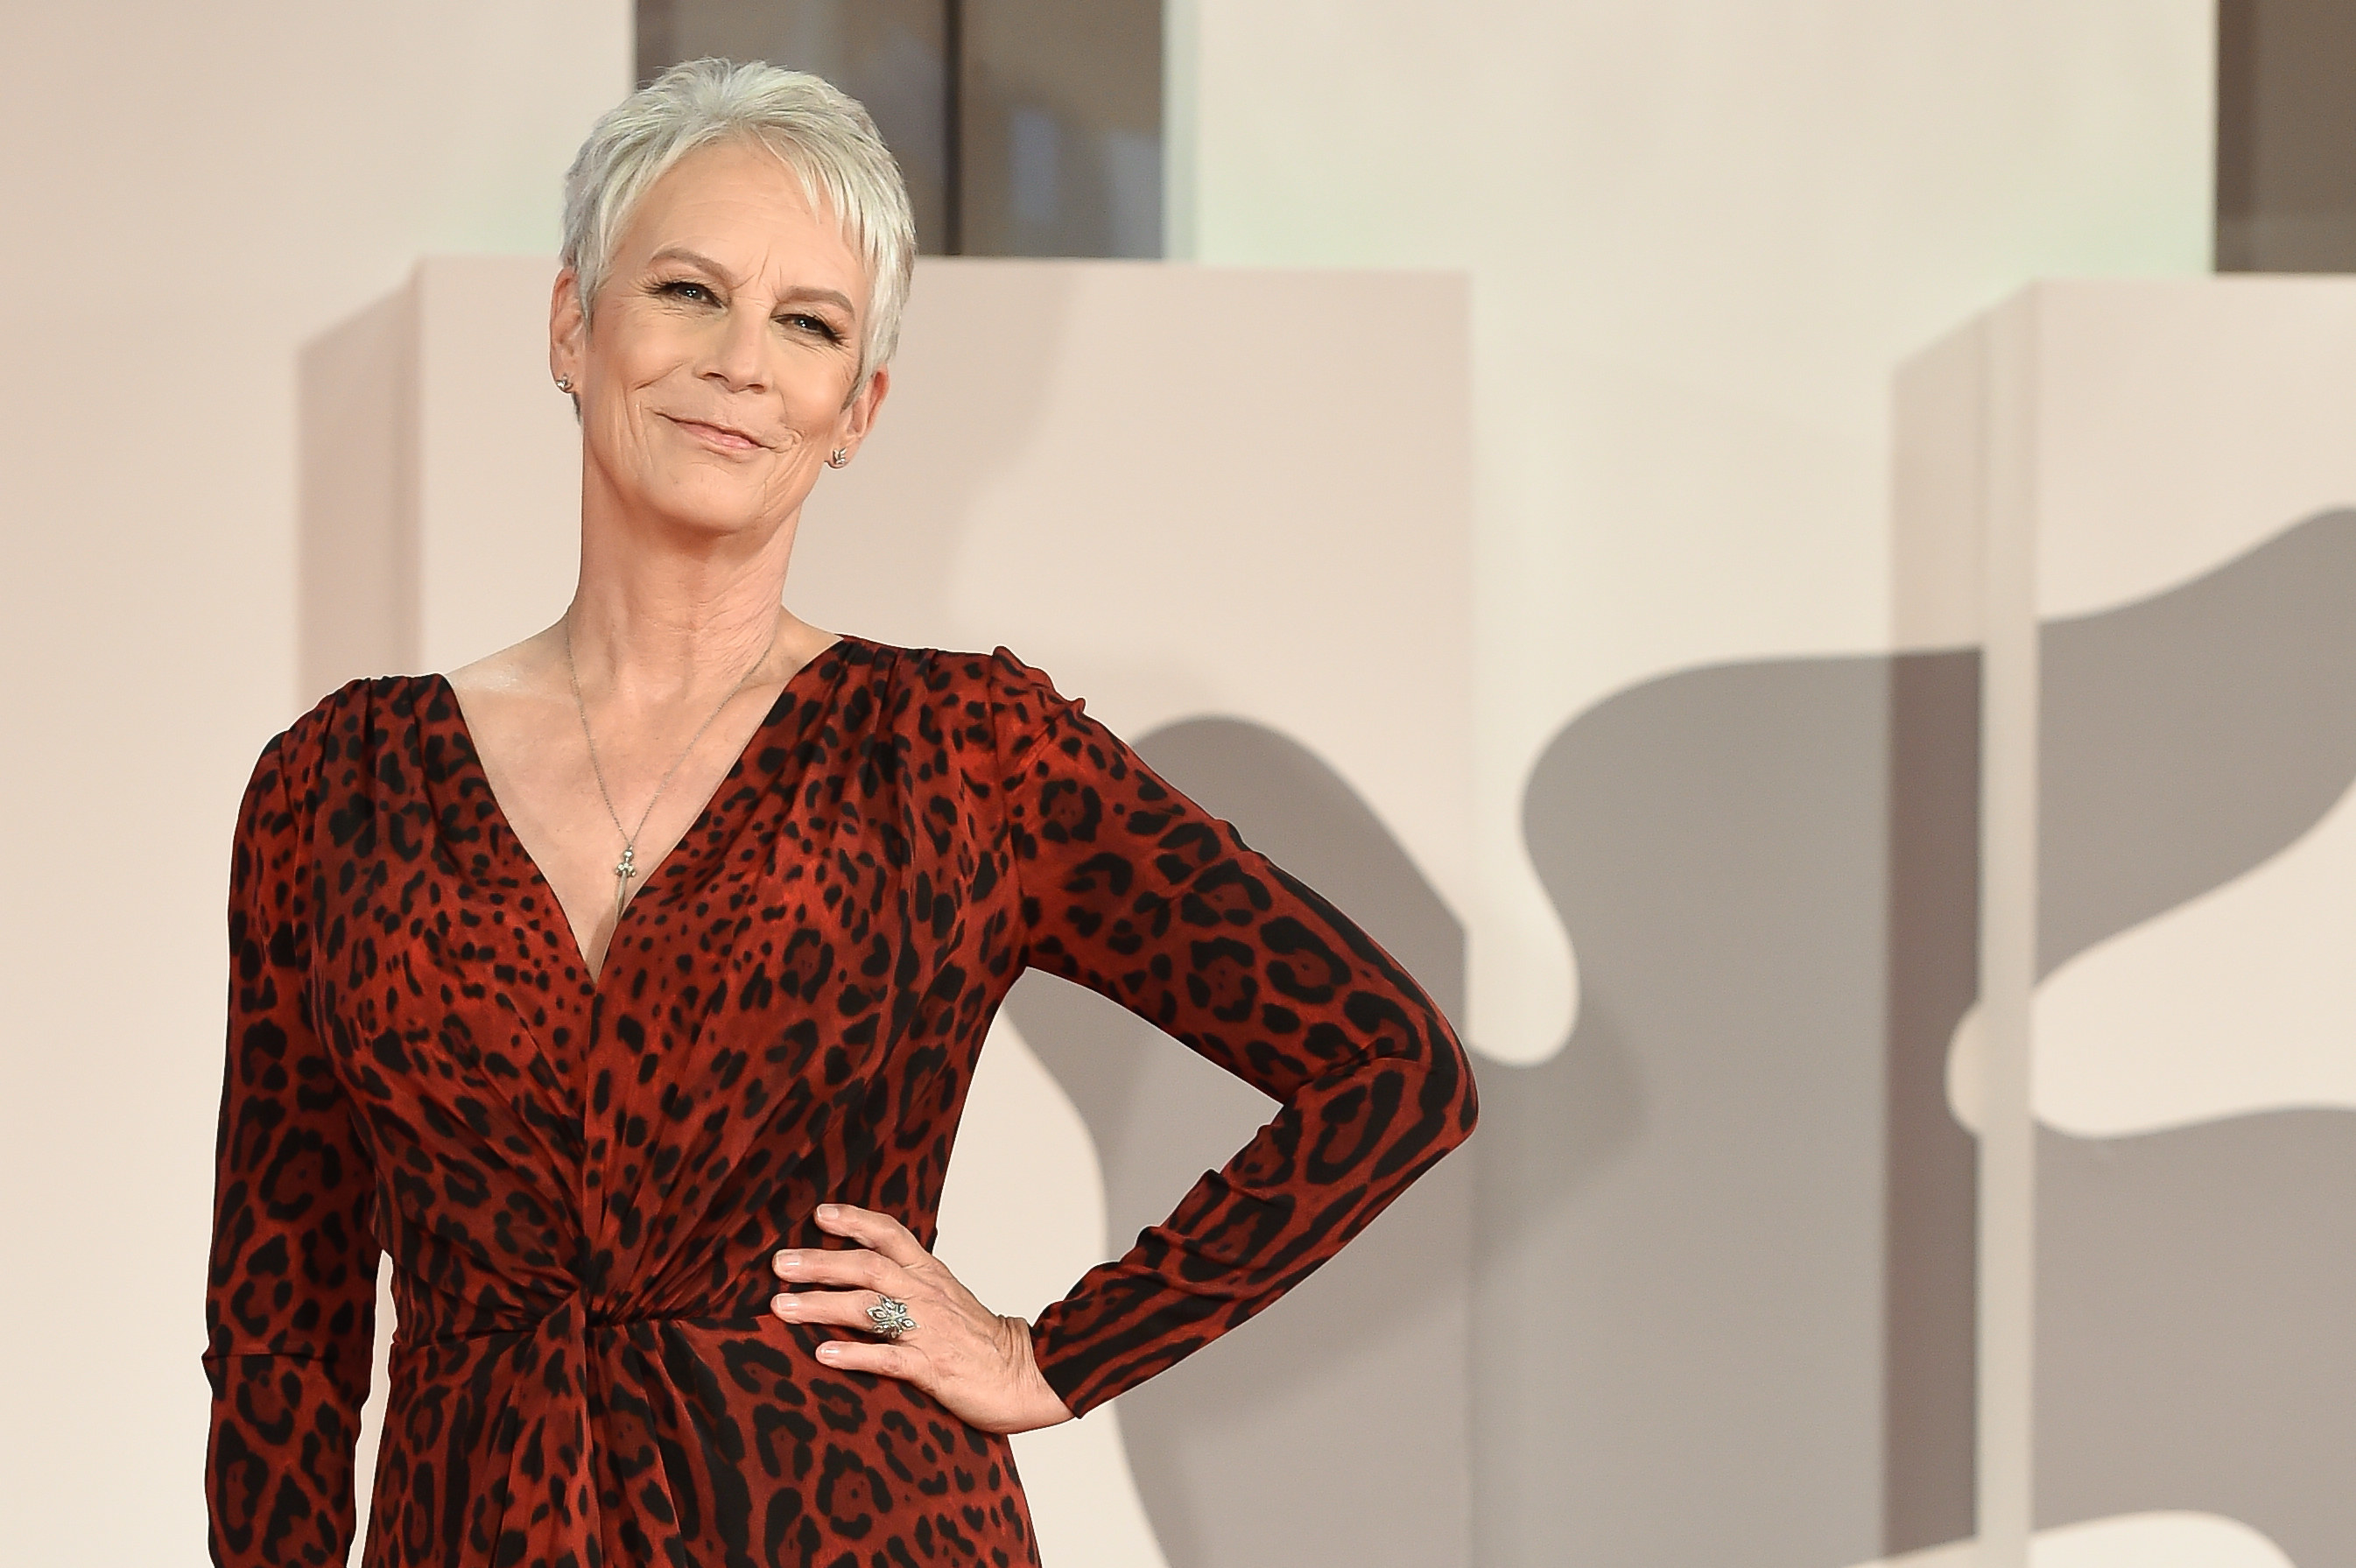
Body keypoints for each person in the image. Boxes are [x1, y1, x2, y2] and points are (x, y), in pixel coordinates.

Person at [200, 57, 1478, 1567]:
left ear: (857, 406)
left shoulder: (964, 759)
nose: (742, 361)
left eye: (807, 324)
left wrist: (1050, 1355)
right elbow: (282, 1324)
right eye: (686, 291)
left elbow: (1391, 1068)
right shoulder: (337, 790)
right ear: (570, 322)